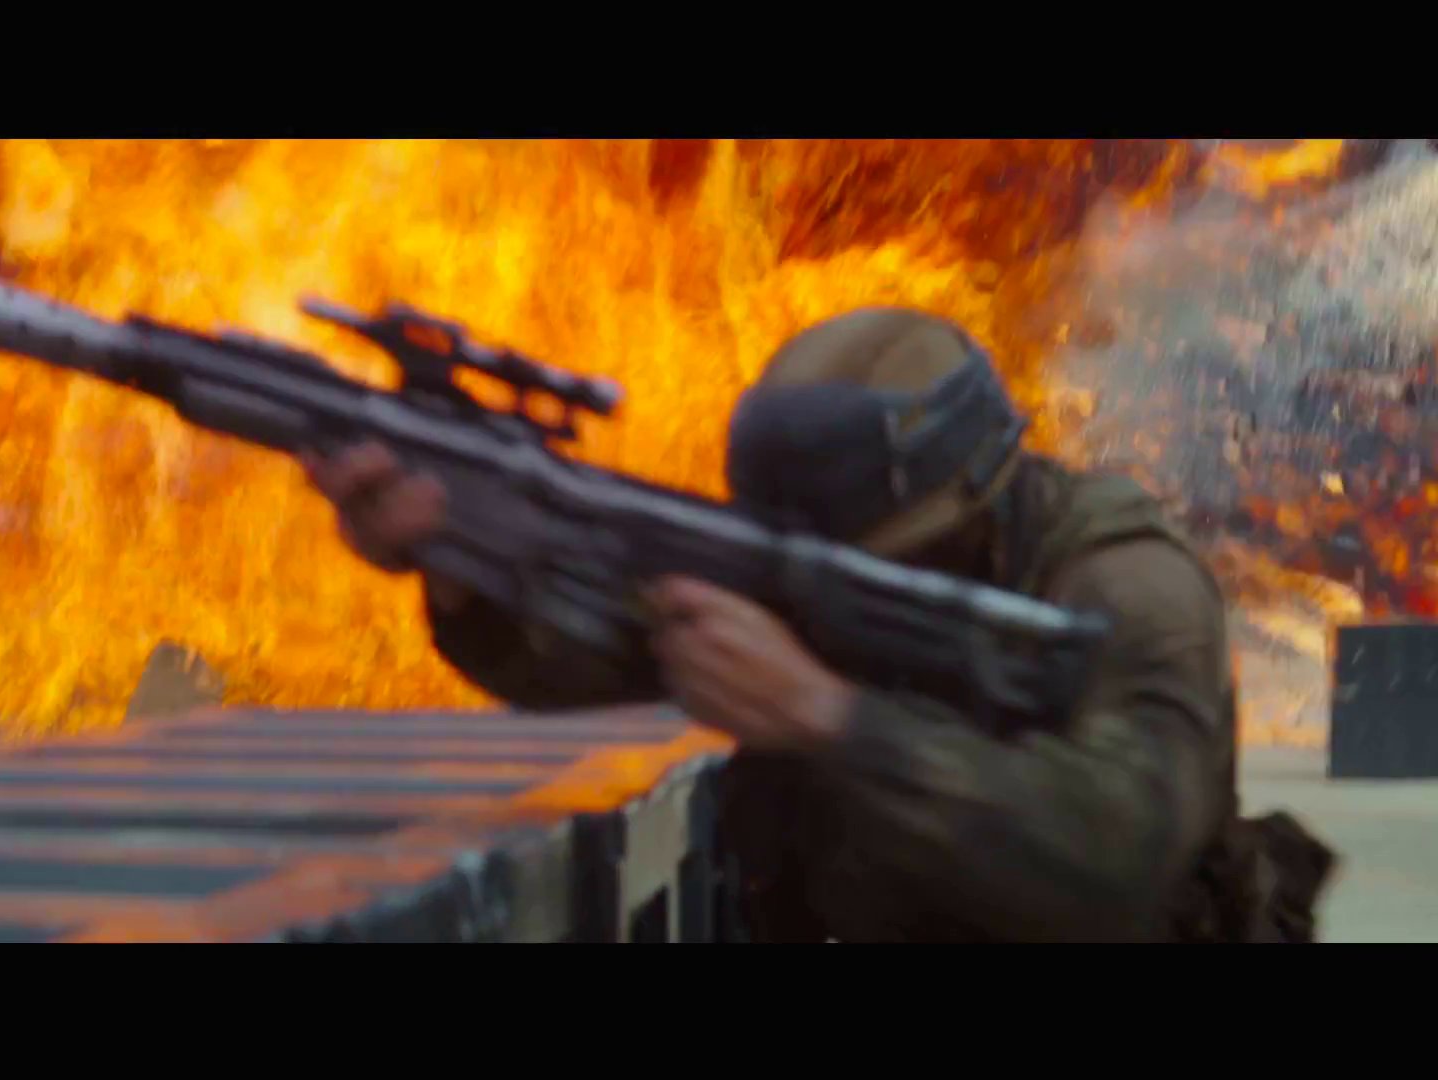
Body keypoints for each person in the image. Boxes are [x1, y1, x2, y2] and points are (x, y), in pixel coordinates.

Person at [302, 306, 1334, 943]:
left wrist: (827, 715)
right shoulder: (817, 569)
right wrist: (464, 565)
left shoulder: (1125, 583)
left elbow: (1122, 854)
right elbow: (601, 662)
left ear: (969, 507)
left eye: (866, 560)